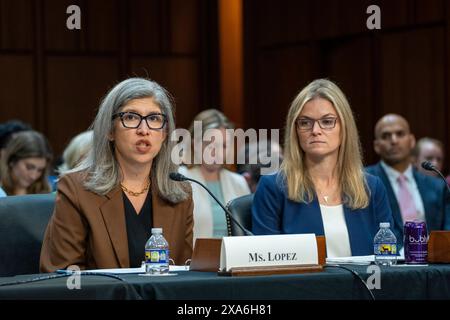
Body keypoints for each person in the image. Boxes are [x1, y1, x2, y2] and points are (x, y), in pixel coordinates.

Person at [40, 78, 194, 272]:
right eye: (131, 117)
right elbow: (64, 273)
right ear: (109, 131)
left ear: (164, 134)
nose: (144, 130)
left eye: (154, 119)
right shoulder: (76, 189)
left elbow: (186, 273)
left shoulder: (180, 191)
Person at [252, 79, 393, 257]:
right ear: (295, 130)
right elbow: (265, 265)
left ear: (344, 128)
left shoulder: (371, 187)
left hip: (365, 285)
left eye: (327, 122)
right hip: (302, 285)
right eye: (305, 123)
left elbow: (388, 257)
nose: (316, 130)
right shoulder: (273, 188)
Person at [366, 114, 449, 242]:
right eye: (386, 136)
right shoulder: (365, 181)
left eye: (400, 134)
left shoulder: (437, 186)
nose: (394, 141)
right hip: (387, 258)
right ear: (376, 146)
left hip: (432, 259)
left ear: (412, 141)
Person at [179, 109, 250, 242]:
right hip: (193, 261)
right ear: (195, 144)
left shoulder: (238, 182)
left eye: (223, 145)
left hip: (233, 260)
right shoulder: (181, 178)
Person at [0, 130, 53, 195]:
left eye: (40, 170)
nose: (33, 176)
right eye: (29, 167)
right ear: (12, 161)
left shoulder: (46, 192)